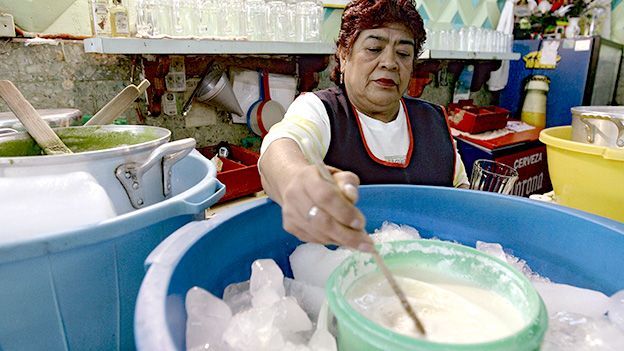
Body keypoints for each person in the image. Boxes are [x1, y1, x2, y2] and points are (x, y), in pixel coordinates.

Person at [259, 0, 469, 251]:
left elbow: (463, 199)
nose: (390, 63)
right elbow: (280, 147)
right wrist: (296, 180)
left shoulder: (434, 121)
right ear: (344, 55)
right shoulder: (320, 110)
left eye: (403, 54)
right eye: (373, 48)